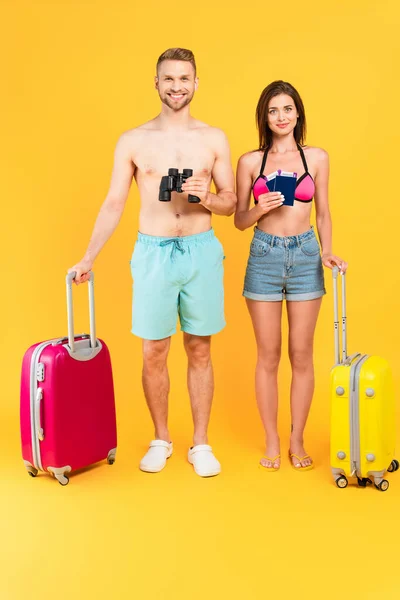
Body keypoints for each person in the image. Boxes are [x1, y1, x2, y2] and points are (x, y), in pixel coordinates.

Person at [68, 48, 236, 477]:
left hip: (201, 250)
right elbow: (114, 203)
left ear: (196, 83)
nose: (177, 86)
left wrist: (206, 197)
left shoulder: (213, 138)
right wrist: (89, 256)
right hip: (153, 252)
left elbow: (231, 203)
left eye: (184, 78)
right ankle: (161, 438)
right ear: (156, 84)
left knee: (200, 347)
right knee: (153, 350)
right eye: (169, 79)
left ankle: (201, 443)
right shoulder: (134, 140)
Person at [234, 80, 347, 471]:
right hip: (264, 256)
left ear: (298, 113)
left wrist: (328, 251)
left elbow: (324, 212)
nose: (280, 117)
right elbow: (239, 221)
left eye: (287, 109)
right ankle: (271, 440)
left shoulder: (317, 157)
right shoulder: (251, 162)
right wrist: (260, 208)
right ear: (264, 117)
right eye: (272, 111)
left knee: (302, 354)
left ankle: (297, 440)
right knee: (267, 356)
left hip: (305, 256)